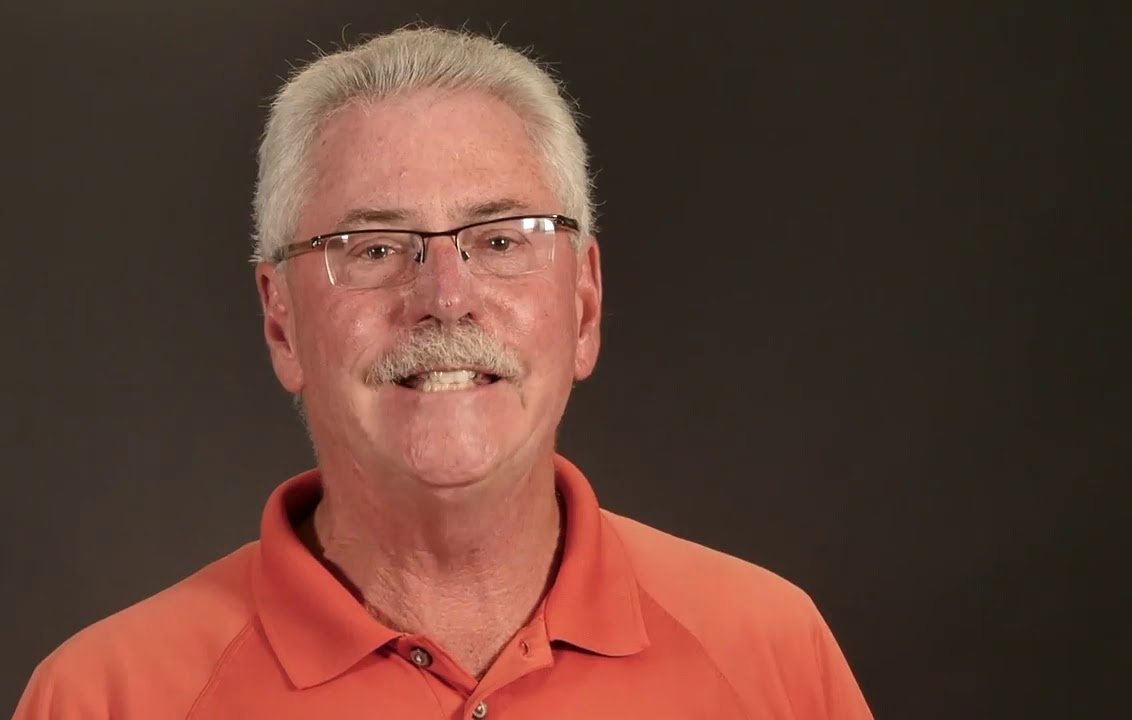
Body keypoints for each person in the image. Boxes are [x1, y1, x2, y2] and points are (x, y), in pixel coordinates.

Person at [13, 25, 874, 719]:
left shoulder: (772, 654)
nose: (445, 298)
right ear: (281, 322)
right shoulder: (105, 698)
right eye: (373, 248)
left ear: (583, 305)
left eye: (501, 239)